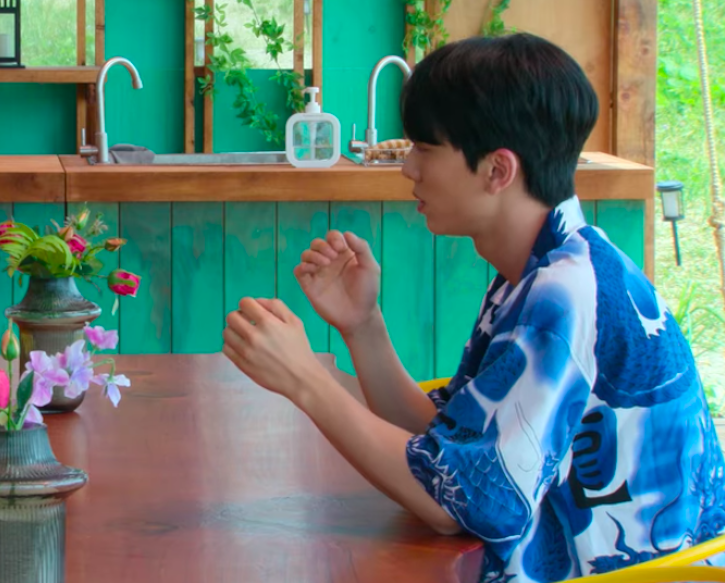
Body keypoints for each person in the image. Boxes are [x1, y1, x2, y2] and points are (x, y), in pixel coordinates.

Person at [221, 33, 725, 582]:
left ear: (497, 170)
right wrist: (363, 325)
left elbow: (453, 504)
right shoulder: (547, 266)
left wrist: (304, 381)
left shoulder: (565, 294)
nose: (408, 168)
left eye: (426, 149)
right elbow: (452, 444)